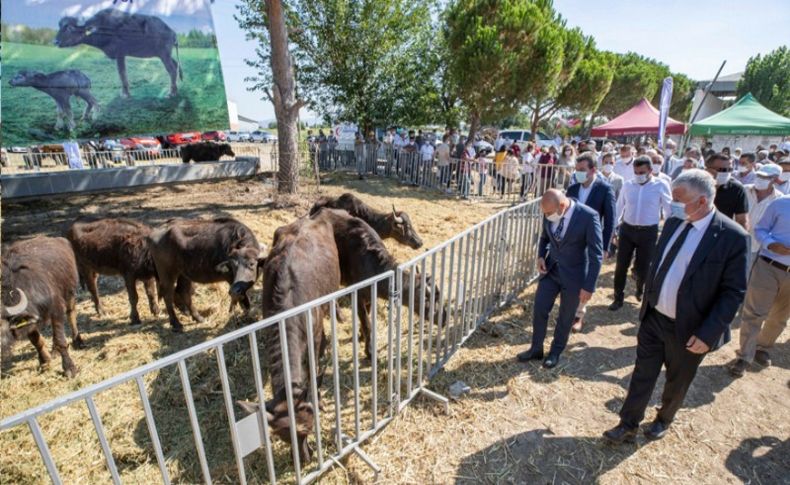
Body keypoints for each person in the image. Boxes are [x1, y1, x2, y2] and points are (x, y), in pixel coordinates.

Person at [603, 169, 749, 443]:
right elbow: (659, 264)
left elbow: (733, 292)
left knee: (677, 381)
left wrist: (708, 333)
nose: (674, 204)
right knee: (642, 374)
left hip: (691, 328)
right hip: (654, 318)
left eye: (680, 200)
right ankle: (628, 423)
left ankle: (663, 418)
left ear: (703, 201)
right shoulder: (673, 222)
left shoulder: (733, 237)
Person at [517, 189, 603, 368]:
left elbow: (596, 255)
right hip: (551, 270)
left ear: (562, 206)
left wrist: (589, 286)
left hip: (574, 276)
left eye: (549, 213)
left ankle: (555, 351)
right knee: (540, 308)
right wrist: (541, 256)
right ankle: (536, 348)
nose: (546, 216)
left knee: (566, 316)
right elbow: (544, 237)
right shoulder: (549, 211)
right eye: (544, 213)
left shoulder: (588, 216)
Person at [726, 192, 790, 377]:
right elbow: (760, 229)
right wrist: (771, 244)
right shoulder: (780, 203)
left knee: (779, 317)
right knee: (755, 313)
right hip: (769, 266)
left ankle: (762, 347)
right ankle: (745, 356)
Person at [610, 156, 672, 310]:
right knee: (621, 266)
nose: (638, 175)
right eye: (636, 172)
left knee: (644, 267)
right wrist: (613, 230)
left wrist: (669, 231)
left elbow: (669, 209)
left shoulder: (661, 185)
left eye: (642, 172)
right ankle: (618, 297)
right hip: (627, 230)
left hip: (648, 232)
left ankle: (640, 288)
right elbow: (619, 207)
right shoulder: (628, 185)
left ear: (651, 171)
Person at [566, 152, 616, 332]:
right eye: (576, 169)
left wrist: (605, 246)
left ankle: (579, 314)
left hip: (592, 241)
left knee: (587, 277)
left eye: (581, 170)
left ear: (593, 170)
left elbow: (610, 220)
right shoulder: (572, 190)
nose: (578, 173)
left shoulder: (605, 189)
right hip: (572, 241)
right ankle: (569, 309)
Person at [741, 164, 784, 268]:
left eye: (765, 177)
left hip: (757, 248)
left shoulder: (779, 199)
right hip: (733, 242)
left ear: (775, 179)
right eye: (759, 176)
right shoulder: (743, 190)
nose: (760, 179)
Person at [705, 152, 748, 230]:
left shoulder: (736, 189)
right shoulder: (695, 184)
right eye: (722, 170)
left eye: (730, 169)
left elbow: (742, 220)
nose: (727, 173)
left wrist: (739, 240)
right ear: (707, 169)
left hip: (720, 234)